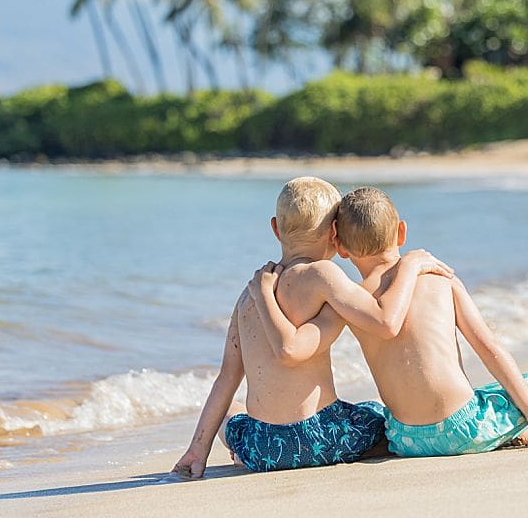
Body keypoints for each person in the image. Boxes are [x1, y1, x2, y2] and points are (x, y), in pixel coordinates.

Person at [252, 185, 528, 459]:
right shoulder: (439, 278)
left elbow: (299, 344)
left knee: (480, 395)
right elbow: (488, 346)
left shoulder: (352, 302)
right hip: (463, 428)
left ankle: (521, 430)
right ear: (401, 232)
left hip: (405, 439)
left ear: (339, 245)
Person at [172, 177, 452, 478]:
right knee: (374, 414)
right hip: (322, 438)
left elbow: (227, 376)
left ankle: (225, 449)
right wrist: (410, 266)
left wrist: (197, 450)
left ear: (276, 228)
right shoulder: (324, 274)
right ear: (335, 232)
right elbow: (383, 320)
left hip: (264, 449)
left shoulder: (249, 293)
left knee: (231, 414)